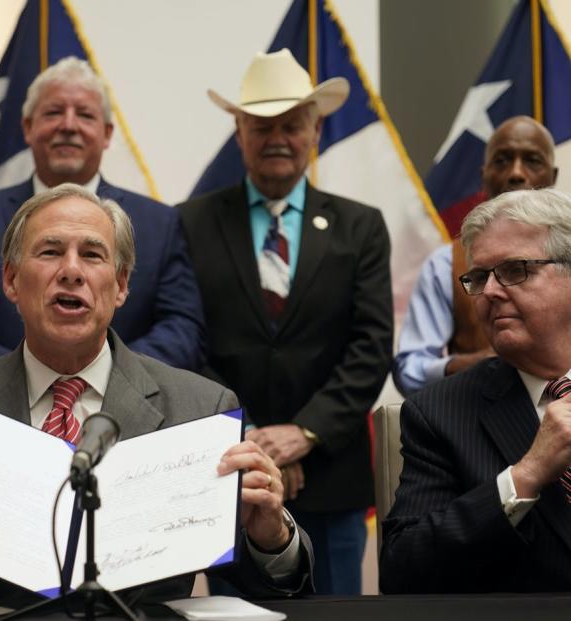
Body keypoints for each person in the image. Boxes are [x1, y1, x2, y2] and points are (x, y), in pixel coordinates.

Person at [0, 184, 314, 605]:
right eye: (49, 252)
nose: (71, 271)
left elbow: (263, 579)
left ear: (121, 285)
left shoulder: (200, 409)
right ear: (10, 281)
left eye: (92, 254)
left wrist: (272, 536)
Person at [177, 49, 393, 595]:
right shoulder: (190, 223)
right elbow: (186, 341)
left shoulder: (361, 227)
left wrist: (304, 434)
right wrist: (248, 437)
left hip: (331, 477)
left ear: (315, 130)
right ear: (239, 131)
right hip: (229, 476)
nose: (278, 138)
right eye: (262, 126)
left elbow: (370, 346)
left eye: (291, 125)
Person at [0, 56, 205, 374]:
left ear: (107, 134)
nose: (68, 125)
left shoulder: (158, 225)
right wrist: (23, 374)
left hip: (127, 417)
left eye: (85, 114)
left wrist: (109, 376)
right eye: (53, 112)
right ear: (27, 128)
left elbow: (185, 332)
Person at [380, 188, 571, 592]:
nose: (491, 292)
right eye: (480, 276)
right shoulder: (440, 413)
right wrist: (525, 477)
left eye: (516, 269)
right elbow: (403, 570)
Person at [394, 116, 558, 396]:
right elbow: (410, 369)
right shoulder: (447, 265)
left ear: (552, 177)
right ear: (483, 175)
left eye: (532, 160)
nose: (516, 173)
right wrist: (477, 364)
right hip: (481, 420)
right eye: (502, 160)